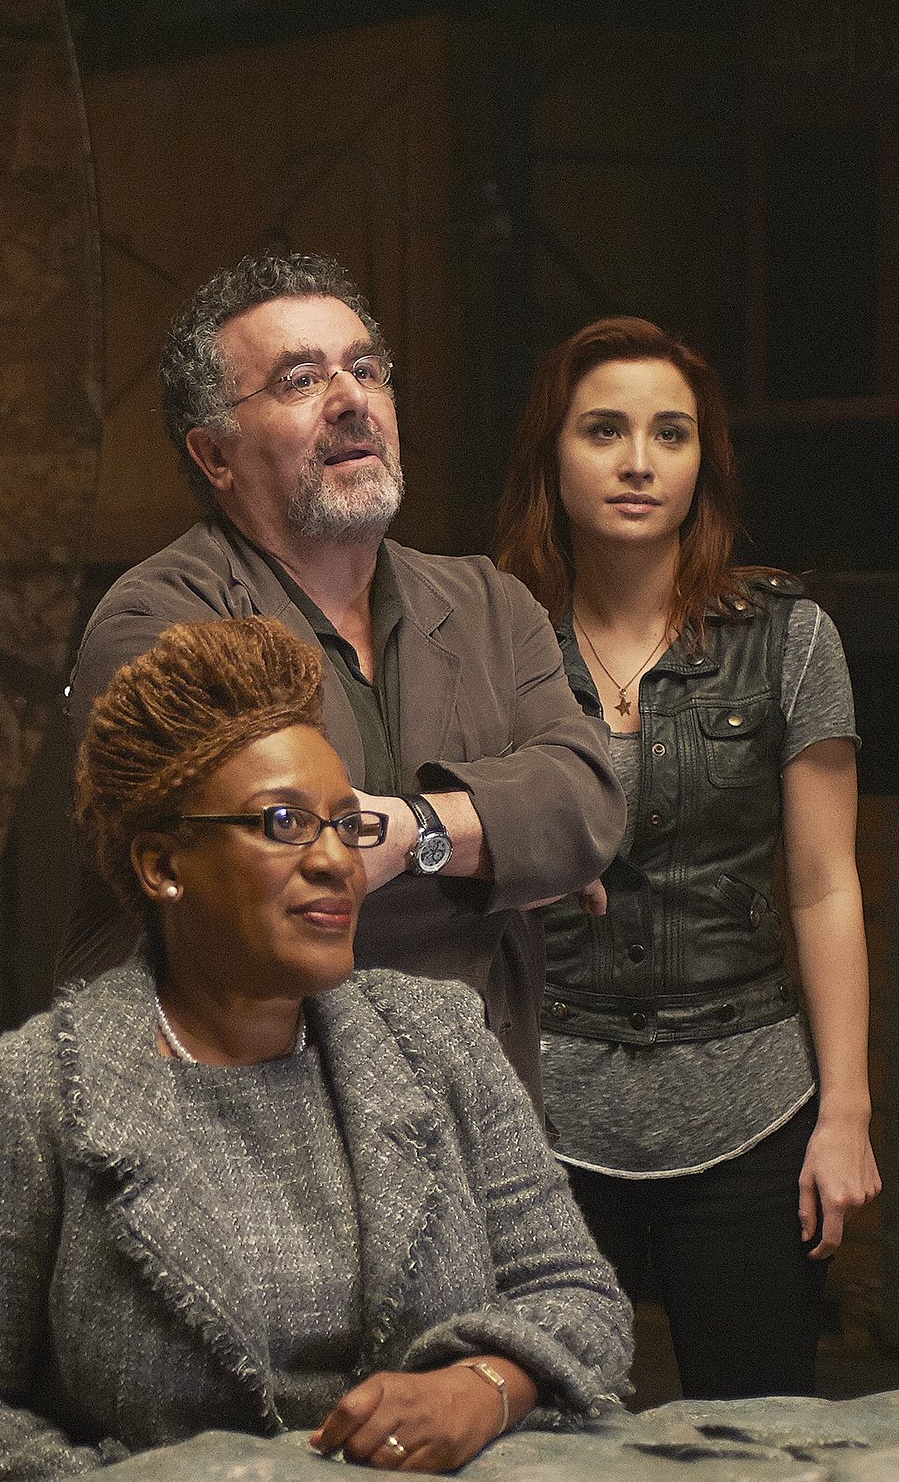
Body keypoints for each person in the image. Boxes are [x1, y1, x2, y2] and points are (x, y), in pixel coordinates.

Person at [0, 617, 630, 1482]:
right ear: (163, 865)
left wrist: (485, 1387)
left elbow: (579, 1298)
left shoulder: (439, 1041)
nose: (336, 861)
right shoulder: (29, 1098)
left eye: (347, 825)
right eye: (284, 823)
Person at [61, 252, 622, 1105]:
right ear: (214, 454)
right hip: (237, 1120)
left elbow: (588, 806)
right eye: (300, 380)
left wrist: (416, 832)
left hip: (471, 1115)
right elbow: (252, 871)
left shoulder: (489, 602)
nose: (351, 398)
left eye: (366, 369)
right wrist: (504, 851)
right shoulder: (162, 620)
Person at [492, 315, 879, 1399]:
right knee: (542, 1445)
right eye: (603, 430)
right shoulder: (489, 637)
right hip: (540, 1115)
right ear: (551, 455)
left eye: (671, 433)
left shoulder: (788, 636)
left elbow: (826, 886)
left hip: (750, 1108)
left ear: (703, 460)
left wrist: (846, 1114)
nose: (638, 461)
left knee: (757, 1442)